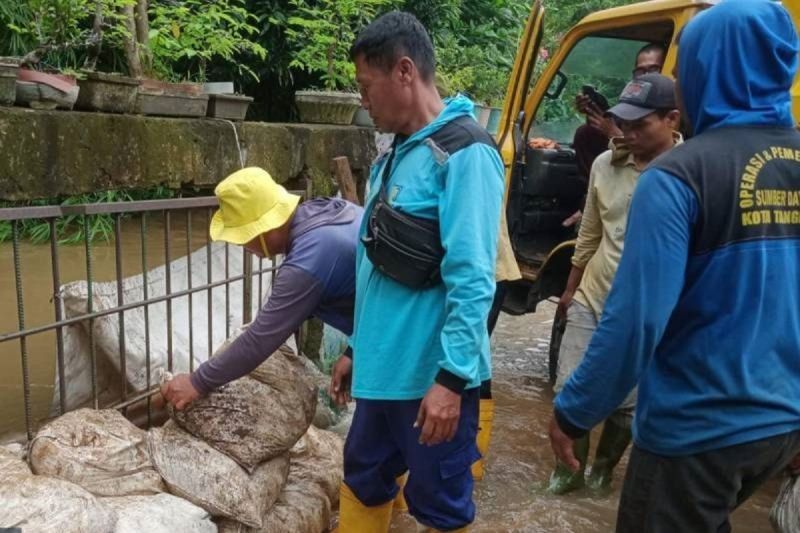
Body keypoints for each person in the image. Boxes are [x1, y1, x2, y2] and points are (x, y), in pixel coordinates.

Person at [549, 1, 800, 531]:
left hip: (696, 428)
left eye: (684, 69)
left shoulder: (678, 177)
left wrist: (573, 410)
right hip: (781, 425)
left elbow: (636, 319)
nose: (678, 84)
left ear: (709, 71)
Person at [334, 11, 504, 533]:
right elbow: (376, 269)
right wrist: (354, 349)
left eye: (367, 86)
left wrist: (451, 382)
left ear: (404, 72)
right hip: (381, 375)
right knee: (363, 479)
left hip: (429, 380)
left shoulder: (464, 154)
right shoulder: (393, 158)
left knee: (440, 507)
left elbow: (474, 277)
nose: (363, 101)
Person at [548, 73, 682, 495]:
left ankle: (601, 472)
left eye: (642, 125)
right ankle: (568, 474)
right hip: (595, 293)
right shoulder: (606, 164)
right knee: (570, 387)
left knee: (628, 403)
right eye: (625, 123)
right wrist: (570, 289)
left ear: (672, 120)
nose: (629, 133)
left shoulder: (689, 171)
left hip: (648, 310)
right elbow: (590, 231)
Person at [160, 167, 363, 409]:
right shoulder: (323, 212)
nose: (245, 247)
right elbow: (377, 299)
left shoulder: (307, 262)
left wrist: (197, 381)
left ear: (263, 229)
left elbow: (260, 339)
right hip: (392, 333)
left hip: (405, 351)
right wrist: (354, 351)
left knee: (376, 442)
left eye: (243, 238)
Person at [565, 43, 666, 228]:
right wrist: (592, 113)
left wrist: (617, 135)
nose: (646, 77)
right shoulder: (632, 98)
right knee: (585, 134)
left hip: (644, 194)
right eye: (640, 72)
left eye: (654, 70)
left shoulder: (671, 109)